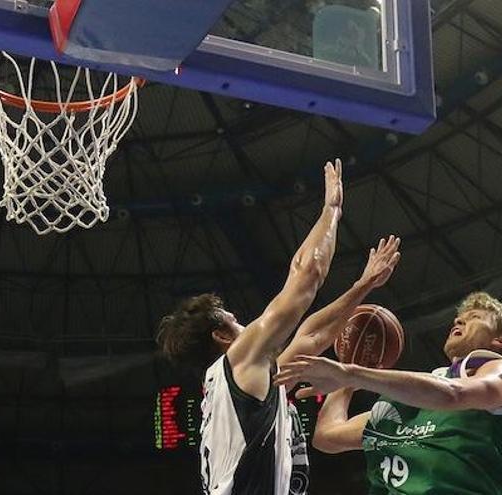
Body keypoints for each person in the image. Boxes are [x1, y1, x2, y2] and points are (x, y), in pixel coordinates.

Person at [156, 158, 401, 495]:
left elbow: (311, 338)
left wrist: (363, 286)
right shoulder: (240, 359)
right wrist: (332, 210)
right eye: (234, 319)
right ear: (222, 336)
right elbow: (306, 276)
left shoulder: (238, 388)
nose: (245, 324)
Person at [275, 292, 502, 495]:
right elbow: (328, 437)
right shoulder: (402, 400)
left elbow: (453, 394)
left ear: (501, 341)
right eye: (459, 317)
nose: (459, 320)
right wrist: (349, 373)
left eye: (475, 317)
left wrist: (350, 372)